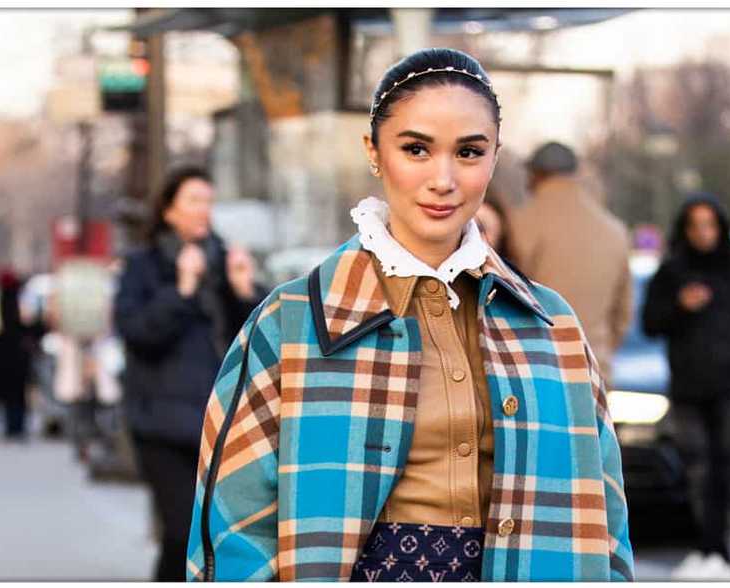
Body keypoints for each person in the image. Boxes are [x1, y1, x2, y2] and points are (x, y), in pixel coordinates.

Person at [186, 48, 633, 582]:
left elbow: (605, 524)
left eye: (469, 152)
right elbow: (235, 527)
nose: (443, 179)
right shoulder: (290, 321)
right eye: (416, 148)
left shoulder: (551, 325)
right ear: (373, 151)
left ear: (495, 157)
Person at [114, 166, 265, 582]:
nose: (204, 211)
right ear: (168, 210)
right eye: (193, 201)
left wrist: (244, 290)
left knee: (217, 537)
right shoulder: (142, 266)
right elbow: (136, 332)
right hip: (160, 425)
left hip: (218, 426)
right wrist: (180, 289)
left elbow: (257, 337)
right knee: (182, 533)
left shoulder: (224, 259)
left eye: (208, 201)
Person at [640, 193, 730, 581]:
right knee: (697, 469)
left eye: (710, 224)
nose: (703, 233)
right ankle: (706, 546)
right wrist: (680, 305)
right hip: (686, 387)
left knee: (728, 465)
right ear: (685, 229)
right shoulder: (671, 272)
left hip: (727, 384)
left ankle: (726, 548)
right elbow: (650, 323)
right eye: (695, 225)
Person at [506, 141, 633, 382]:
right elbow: (623, 312)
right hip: (595, 368)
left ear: (536, 174)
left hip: (535, 370)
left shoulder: (519, 223)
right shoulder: (614, 229)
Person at [0, 268, 41, 441]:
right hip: (18, 359)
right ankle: (15, 429)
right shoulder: (23, 302)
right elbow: (35, 328)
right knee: (17, 397)